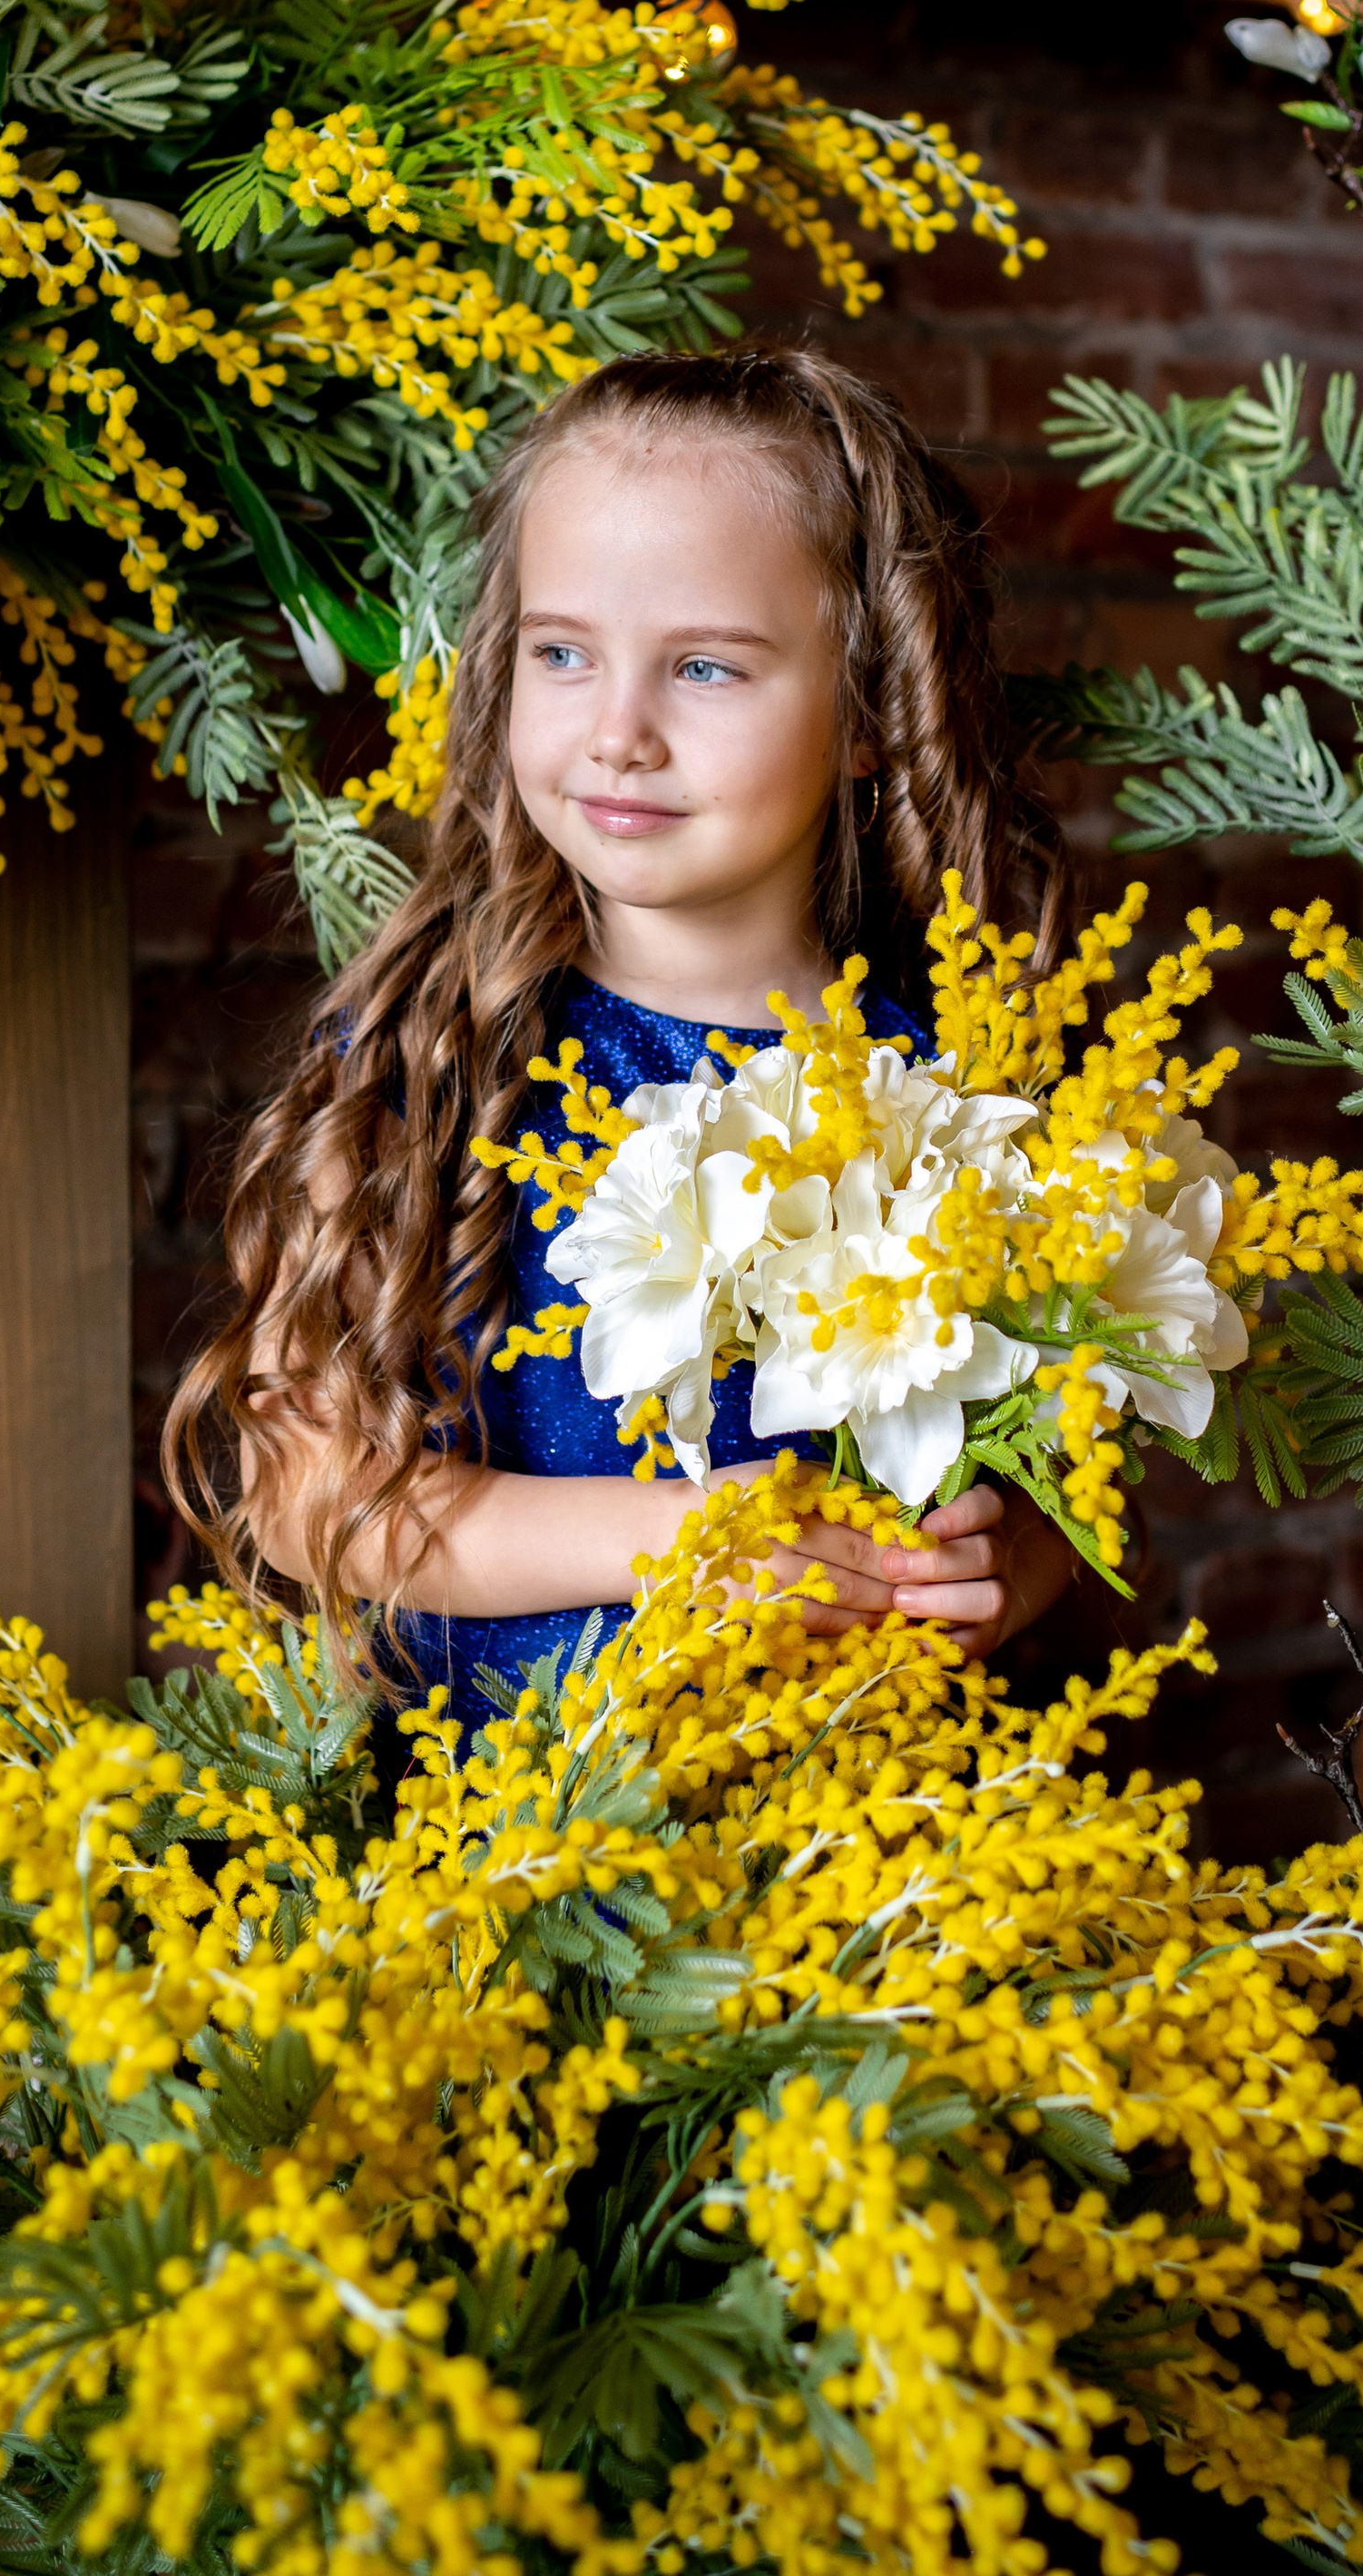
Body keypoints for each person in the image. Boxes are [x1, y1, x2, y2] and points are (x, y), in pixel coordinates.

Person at [164, 344, 1084, 1734]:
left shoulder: (962, 1083)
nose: (618, 734)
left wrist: (1016, 1566)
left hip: (870, 1874)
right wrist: (684, 1543)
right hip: (517, 1861)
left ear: (872, 713)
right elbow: (309, 1502)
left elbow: (1058, 1482)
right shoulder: (433, 1052)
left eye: (706, 667)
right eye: (562, 653)